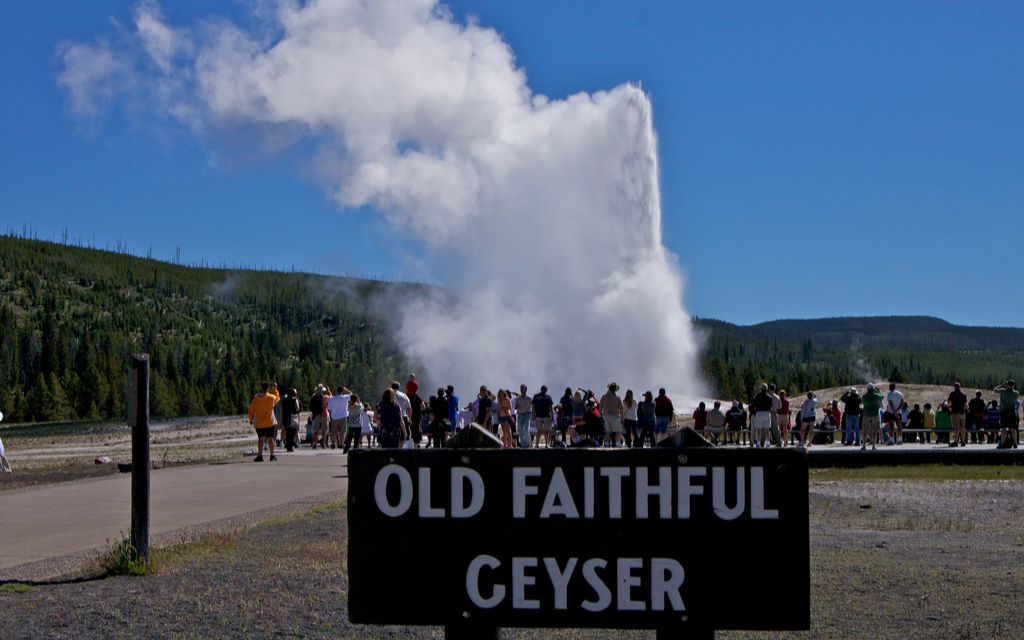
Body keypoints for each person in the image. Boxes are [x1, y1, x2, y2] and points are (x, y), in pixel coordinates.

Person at [247, 381, 281, 462]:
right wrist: (275, 389)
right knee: (271, 439)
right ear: (268, 388)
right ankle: (272, 455)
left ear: (261, 388)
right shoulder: (271, 398)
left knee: (261, 439)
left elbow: (251, 410)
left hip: (260, 423)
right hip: (270, 422)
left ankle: (260, 455)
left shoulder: (256, 398)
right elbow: (277, 398)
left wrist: (251, 419)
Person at [994, 380, 1020, 448]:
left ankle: (1002, 443)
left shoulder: (1003, 391)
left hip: (1004, 412)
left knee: (1004, 429)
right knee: (1013, 429)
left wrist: (1002, 385)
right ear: (1014, 385)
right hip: (1012, 412)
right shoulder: (1016, 393)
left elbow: (994, 390)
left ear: (1008, 385)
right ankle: (1015, 443)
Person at [600, 383, 625, 447]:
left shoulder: (604, 396)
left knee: (607, 432)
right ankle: (617, 445)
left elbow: (600, 406)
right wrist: (622, 418)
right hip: (615, 416)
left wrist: (601, 414)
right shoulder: (617, 397)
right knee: (618, 431)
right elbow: (621, 408)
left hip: (606, 416)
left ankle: (606, 445)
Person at [861, 383, 884, 451]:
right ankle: (873, 446)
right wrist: (876, 391)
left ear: (867, 389)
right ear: (873, 389)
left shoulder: (864, 396)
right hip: (875, 415)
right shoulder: (877, 395)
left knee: (865, 431)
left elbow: (862, 402)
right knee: (874, 430)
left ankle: (864, 445)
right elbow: (882, 396)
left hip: (866, 414)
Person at [280, 388, 302, 452]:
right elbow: (298, 409)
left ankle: (288, 446)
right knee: (293, 432)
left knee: (288, 433)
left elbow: (283, 409)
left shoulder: (284, 400)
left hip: (286, 418)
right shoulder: (295, 400)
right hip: (293, 417)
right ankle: (291, 446)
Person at [948, 381, 968, 447]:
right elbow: (965, 405)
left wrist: (949, 406)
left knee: (956, 428)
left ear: (955, 387)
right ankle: (963, 441)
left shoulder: (952, 394)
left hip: (955, 412)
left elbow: (949, 402)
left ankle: (956, 441)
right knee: (962, 427)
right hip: (962, 413)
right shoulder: (963, 394)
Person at [310, 385, 330, 449]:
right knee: (324, 430)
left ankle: (315, 443)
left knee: (316, 430)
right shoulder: (324, 397)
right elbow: (331, 396)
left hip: (316, 415)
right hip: (323, 414)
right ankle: (323, 443)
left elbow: (311, 407)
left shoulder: (313, 398)